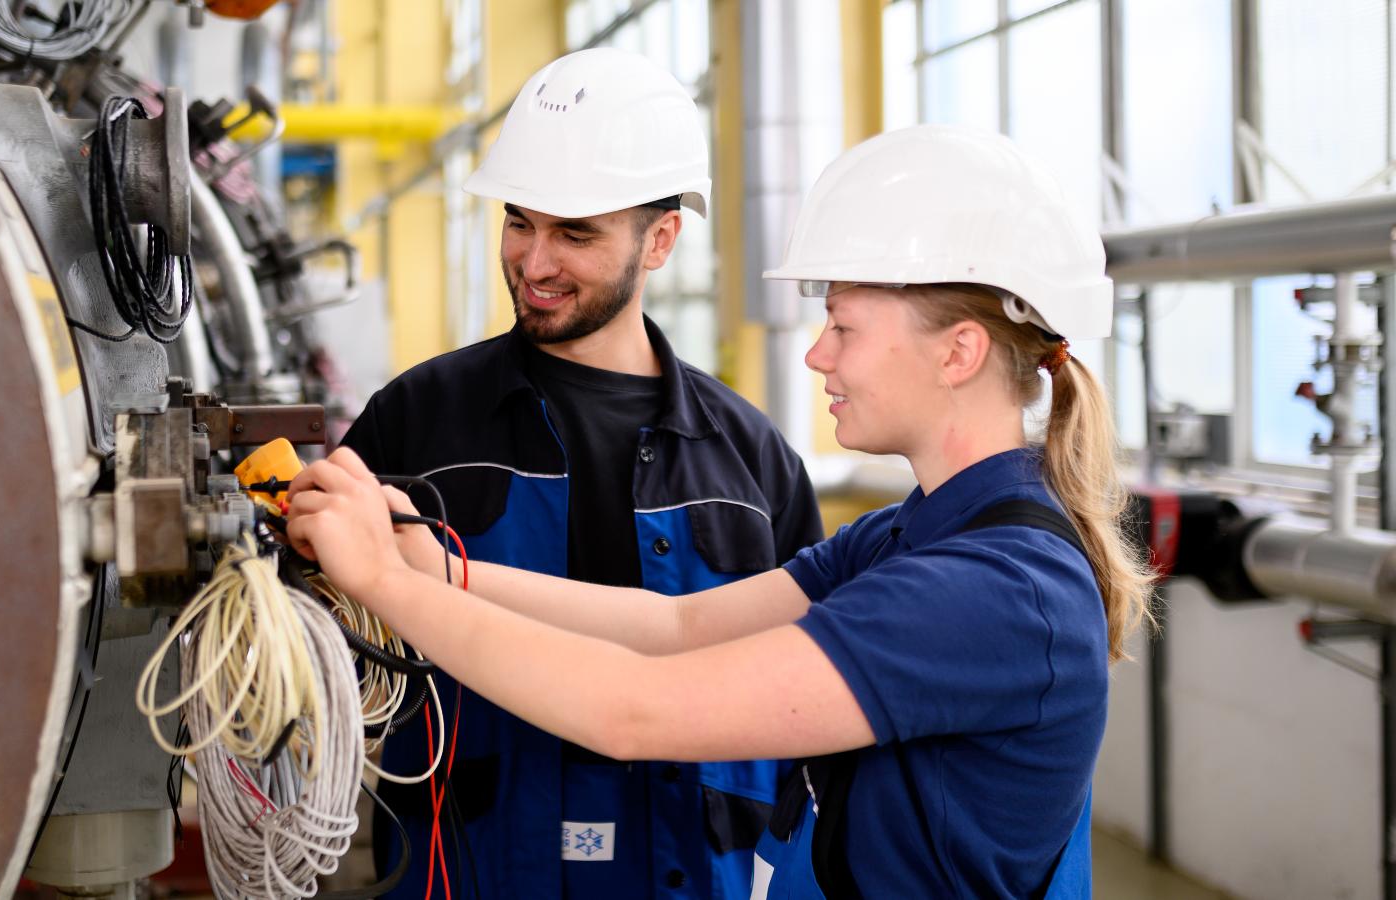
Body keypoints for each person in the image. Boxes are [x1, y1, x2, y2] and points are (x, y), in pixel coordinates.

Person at [295, 123, 1152, 898]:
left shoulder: (992, 589)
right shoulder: (912, 533)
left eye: (843, 327)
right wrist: (441, 570)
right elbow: (680, 626)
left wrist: (378, 577)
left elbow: (636, 710)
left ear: (958, 352)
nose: (817, 354)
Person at [336, 46, 823, 900]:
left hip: (686, 874)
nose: (533, 261)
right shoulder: (416, 422)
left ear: (661, 239)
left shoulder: (752, 462)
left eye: (576, 232)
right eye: (520, 221)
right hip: (469, 874)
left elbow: (800, 708)